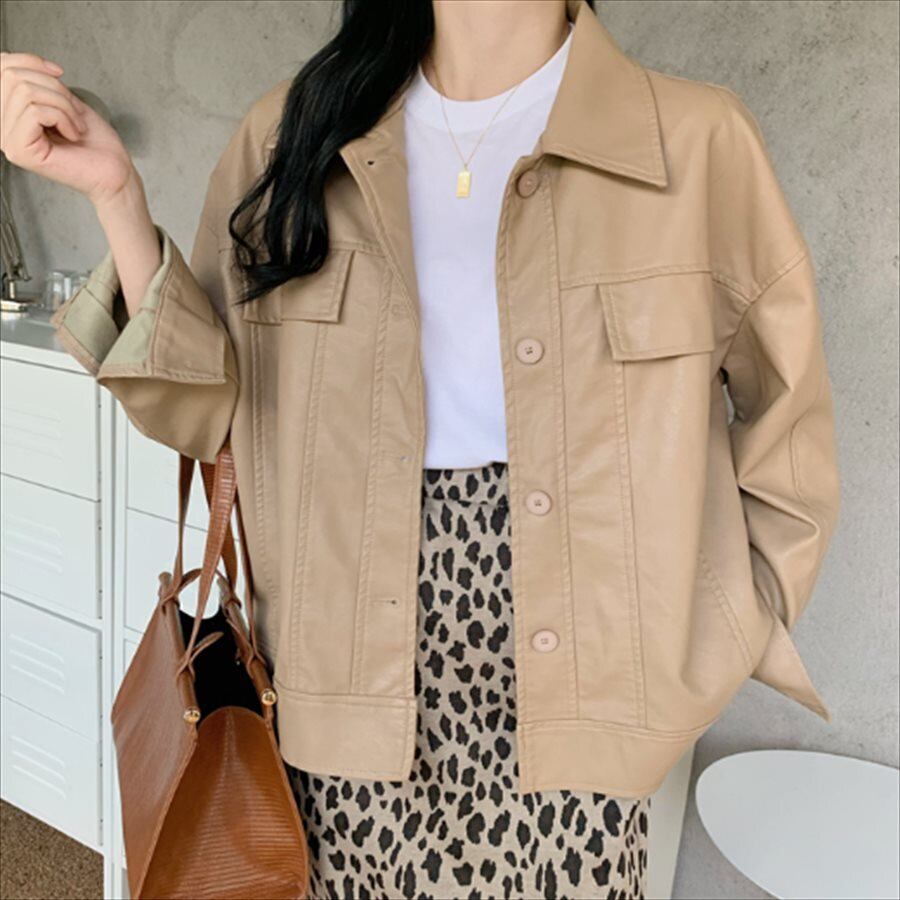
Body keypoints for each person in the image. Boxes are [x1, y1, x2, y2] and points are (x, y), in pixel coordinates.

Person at [0, 1, 840, 898]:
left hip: (587, 679)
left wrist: (720, 628)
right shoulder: (292, 135)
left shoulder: (695, 141)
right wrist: (116, 196)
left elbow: (789, 427)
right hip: (341, 663)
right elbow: (203, 408)